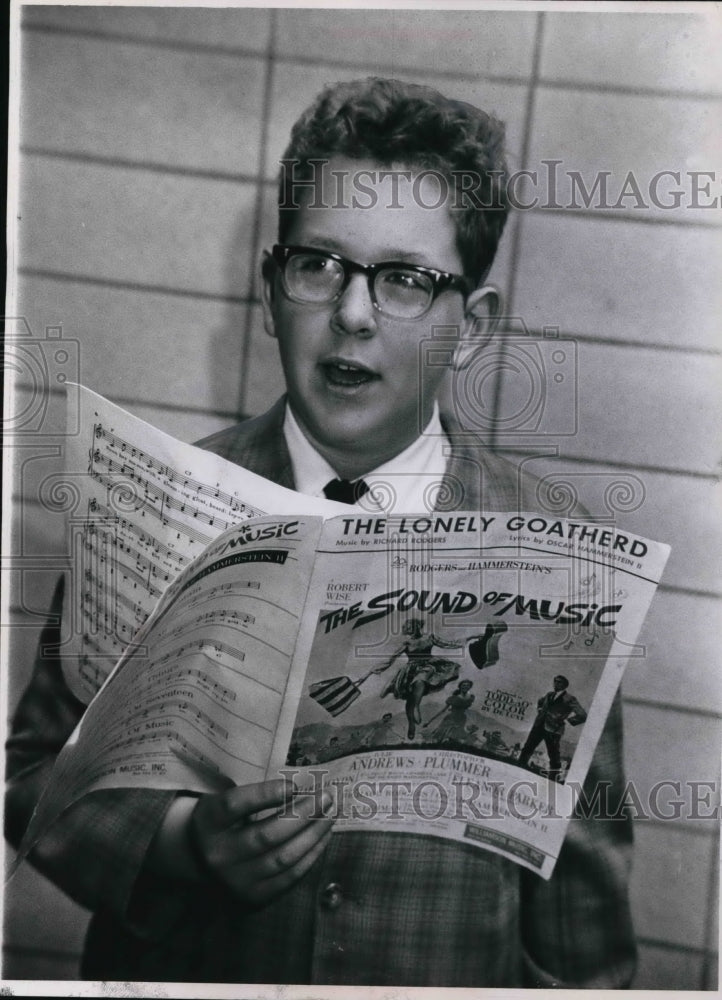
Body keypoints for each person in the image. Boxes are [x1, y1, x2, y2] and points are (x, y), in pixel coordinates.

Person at [6, 77, 636, 986]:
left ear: (470, 328)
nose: (352, 312)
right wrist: (180, 841)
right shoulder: (147, 499)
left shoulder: (556, 550)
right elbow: (34, 778)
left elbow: (583, 923)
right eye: (320, 265)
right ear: (272, 291)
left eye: (406, 280)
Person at [373, 618, 464, 739]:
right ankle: (411, 723)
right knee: (408, 700)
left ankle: (416, 706)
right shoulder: (407, 643)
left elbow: (447, 644)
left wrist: (466, 640)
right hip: (410, 670)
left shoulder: (430, 638)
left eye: (412, 627)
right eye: (408, 628)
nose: (410, 630)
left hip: (428, 667)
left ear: (417, 626)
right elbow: (391, 659)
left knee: (420, 680)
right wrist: (377, 669)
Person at [519, 674, 588, 782]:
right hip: (539, 726)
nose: (555, 683)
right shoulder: (549, 694)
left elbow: (583, 715)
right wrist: (540, 710)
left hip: (554, 731)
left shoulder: (570, 698)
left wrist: (566, 720)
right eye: (555, 681)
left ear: (565, 685)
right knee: (528, 747)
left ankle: (553, 779)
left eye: (559, 682)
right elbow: (540, 701)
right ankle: (519, 766)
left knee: (554, 756)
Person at [430, 679, 475, 744]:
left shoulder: (471, 698)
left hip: (461, 719)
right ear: (460, 687)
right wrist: (430, 721)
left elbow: (466, 710)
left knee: (456, 738)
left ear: (470, 687)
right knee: (440, 736)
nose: (465, 687)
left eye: (468, 685)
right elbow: (443, 710)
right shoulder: (453, 698)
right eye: (463, 685)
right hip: (451, 718)